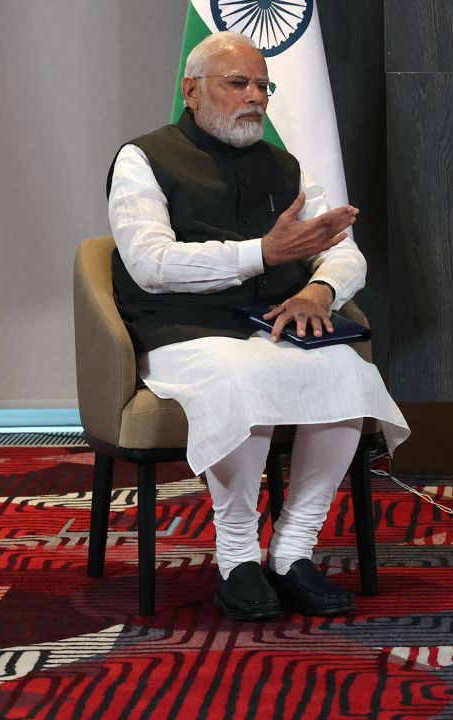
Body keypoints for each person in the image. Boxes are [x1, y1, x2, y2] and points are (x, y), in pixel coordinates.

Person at [107, 31, 410, 621]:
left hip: (270, 327)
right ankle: (238, 559)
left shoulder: (286, 166)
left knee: (346, 372)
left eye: (263, 86)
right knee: (240, 377)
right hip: (183, 332)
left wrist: (321, 288)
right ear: (190, 90)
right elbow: (150, 264)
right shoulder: (142, 159)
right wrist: (262, 254)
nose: (256, 97)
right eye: (237, 83)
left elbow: (346, 251)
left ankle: (293, 552)